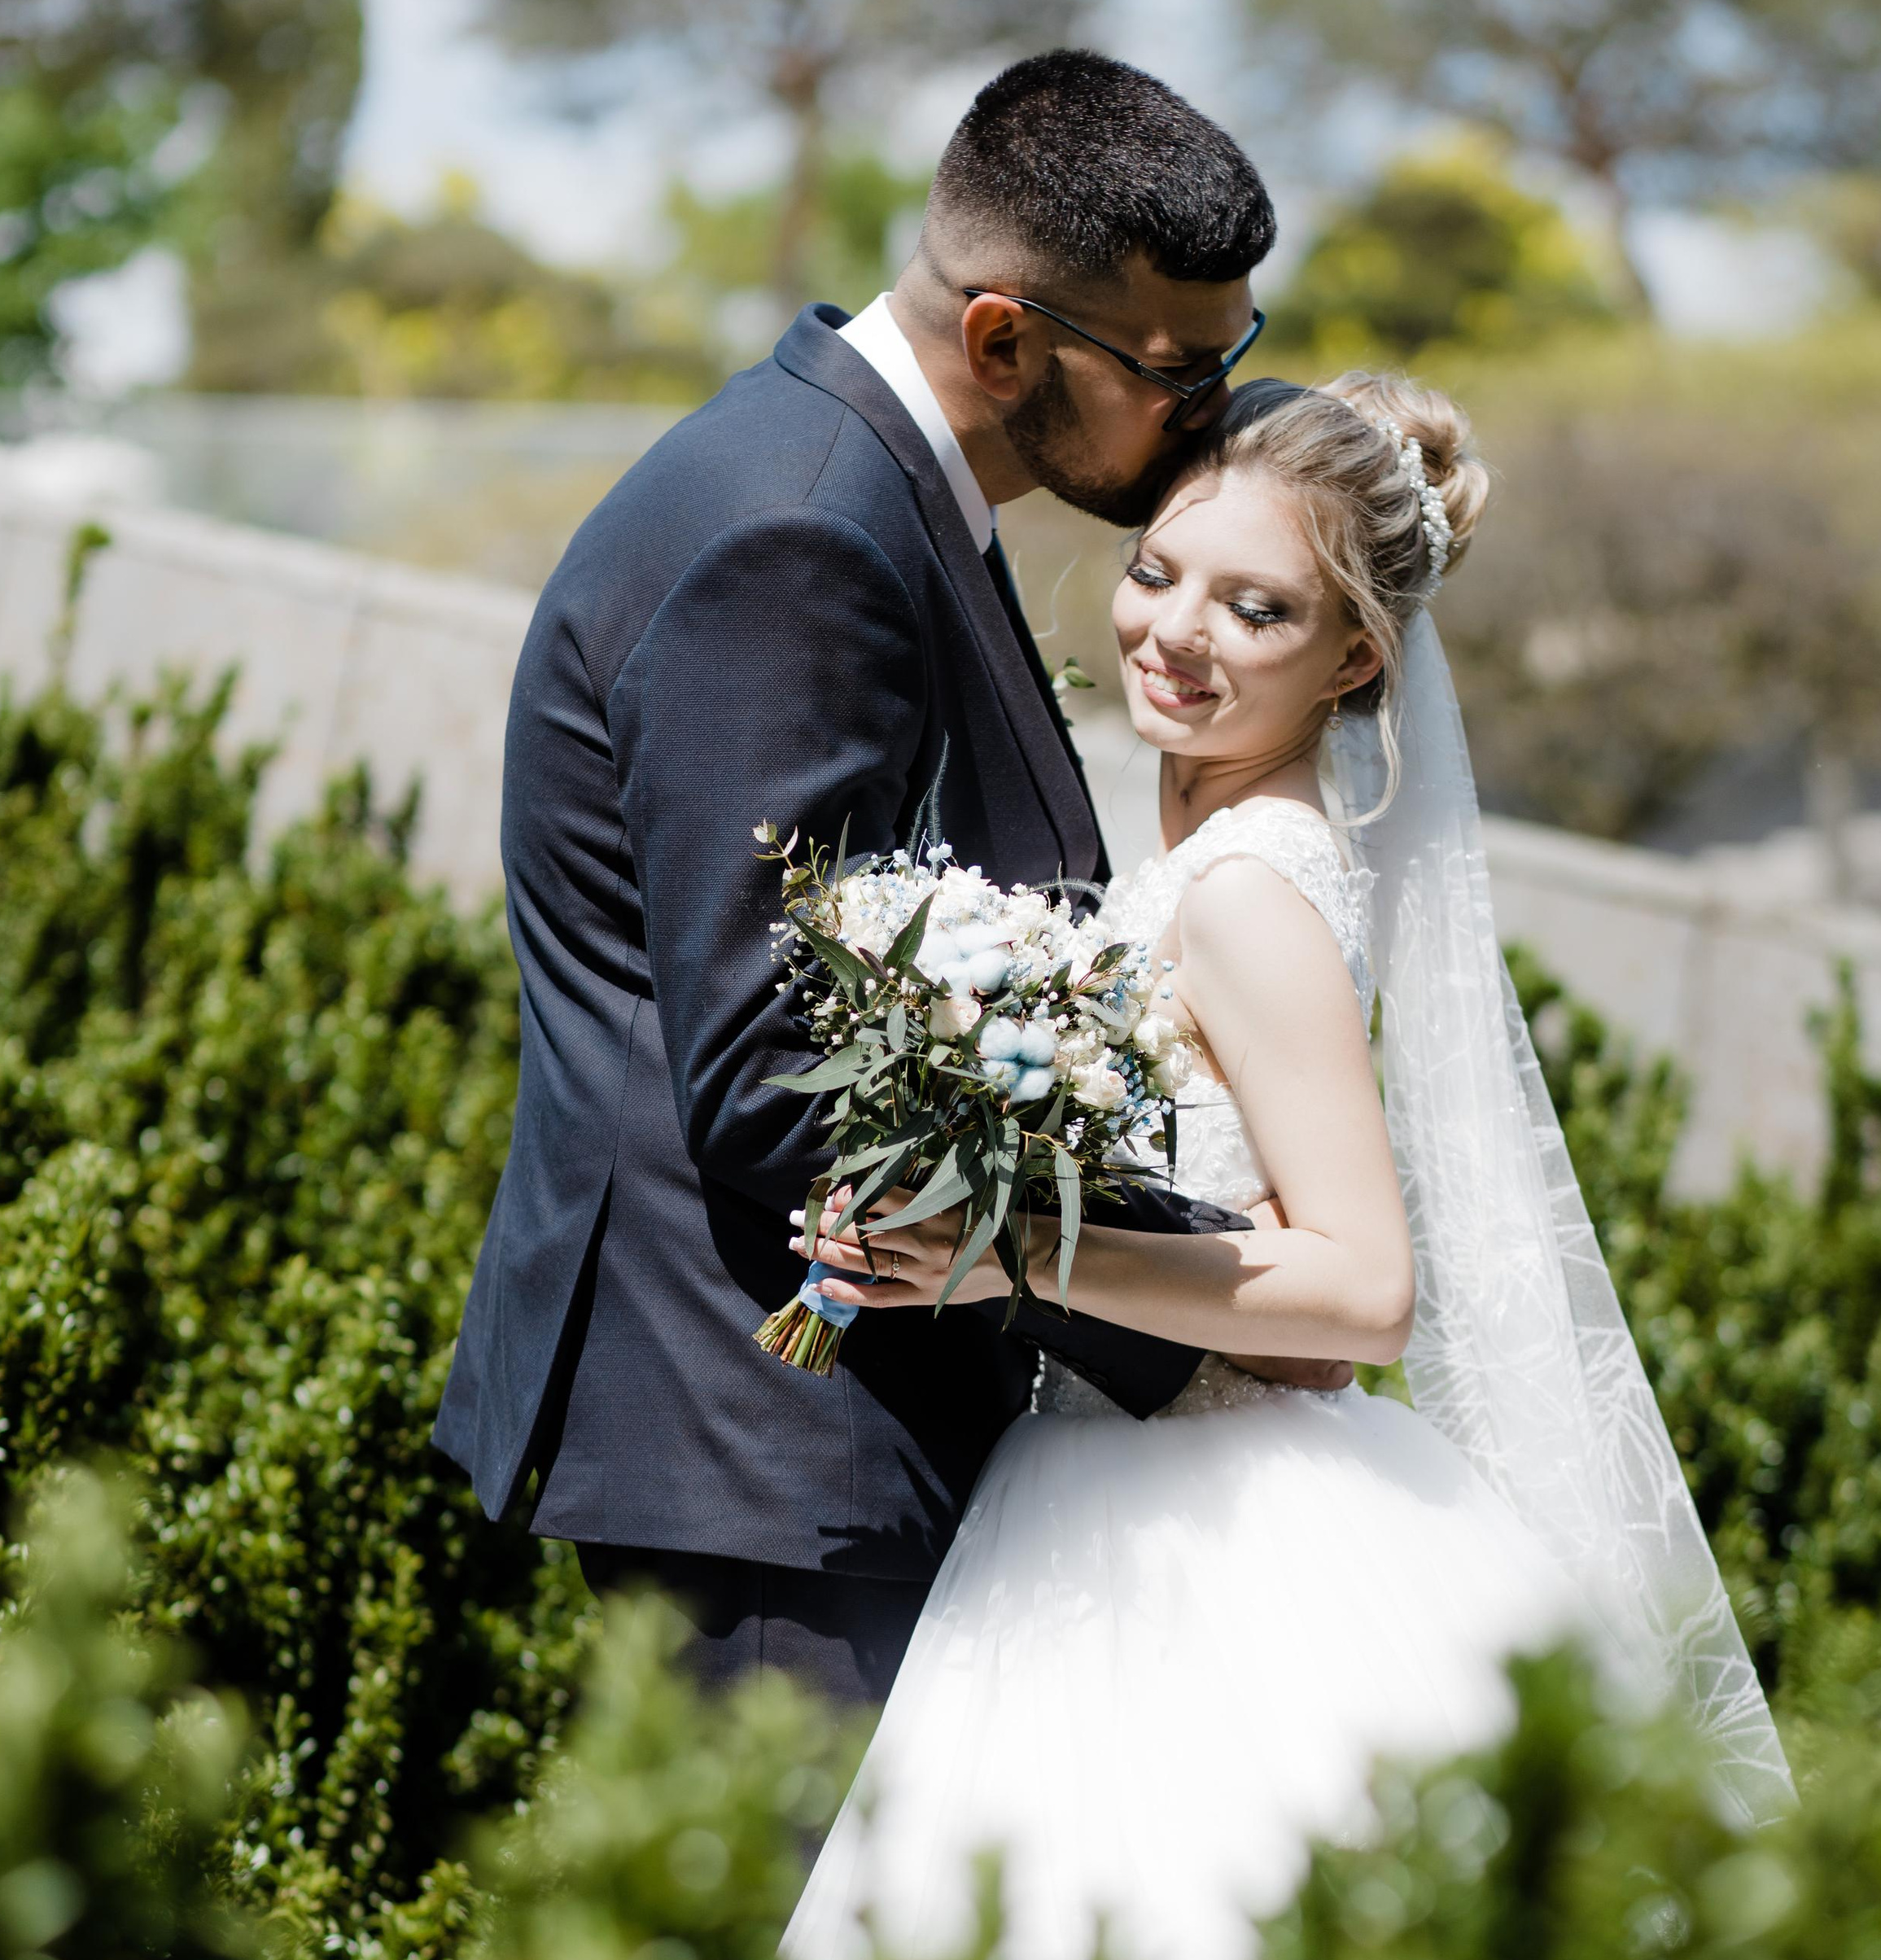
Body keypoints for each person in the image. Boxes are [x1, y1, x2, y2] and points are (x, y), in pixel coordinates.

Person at [780, 374, 1796, 1960]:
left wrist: (1006, 1249)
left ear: (1352, 658)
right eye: (1159, 571)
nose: (1175, 631)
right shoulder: (1194, 854)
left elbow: (1357, 1290)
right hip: (1107, 1466)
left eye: (1254, 604)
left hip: (1213, 1510)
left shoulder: (1250, 889)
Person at [432, 51, 1347, 1705]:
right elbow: (786, 1078)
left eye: (1231, 361)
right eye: (1175, 369)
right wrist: (1210, 1294)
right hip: (779, 1455)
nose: (1207, 413)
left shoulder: (871, 491)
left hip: (819, 1455)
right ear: (1002, 337)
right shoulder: (801, 533)